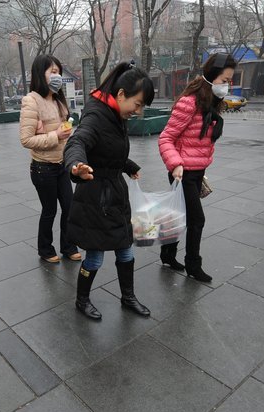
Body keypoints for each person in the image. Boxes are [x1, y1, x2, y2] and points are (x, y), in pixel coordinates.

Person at [64, 61, 154, 321]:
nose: (137, 112)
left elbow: (108, 150)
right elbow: (78, 141)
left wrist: (127, 165)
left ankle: (128, 297)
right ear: (121, 95)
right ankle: (82, 300)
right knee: (95, 256)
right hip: (96, 198)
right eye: (136, 105)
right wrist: (75, 166)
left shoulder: (116, 114)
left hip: (115, 194)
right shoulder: (97, 115)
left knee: (126, 249)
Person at [158, 52, 237, 283]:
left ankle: (167, 255)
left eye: (230, 81)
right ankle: (193, 265)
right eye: (224, 80)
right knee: (197, 220)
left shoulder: (210, 102)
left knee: (180, 215)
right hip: (182, 173)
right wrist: (175, 164)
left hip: (196, 171)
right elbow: (166, 138)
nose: (227, 86)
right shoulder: (189, 102)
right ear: (212, 77)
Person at [19, 54, 81, 264]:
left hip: (62, 164)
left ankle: (68, 246)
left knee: (70, 207)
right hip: (42, 168)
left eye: (58, 72)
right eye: (52, 72)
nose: (57, 76)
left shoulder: (58, 99)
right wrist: (55, 136)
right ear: (40, 73)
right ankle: (45, 249)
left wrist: (65, 132)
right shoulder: (31, 100)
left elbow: (63, 129)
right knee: (49, 210)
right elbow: (26, 139)